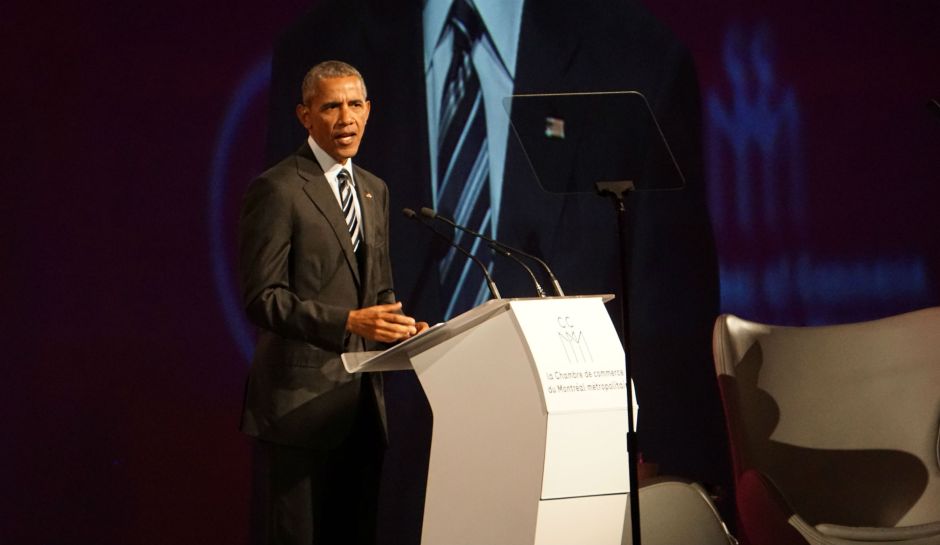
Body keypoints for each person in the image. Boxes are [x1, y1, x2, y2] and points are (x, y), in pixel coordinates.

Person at [238, 60, 427, 545]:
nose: (346, 117)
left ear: (369, 110)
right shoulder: (278, 188)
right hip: (298, 409)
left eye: (355, 104)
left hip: (362, 408)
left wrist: (402, 327)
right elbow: (263, 298)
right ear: (305, 116)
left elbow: (378, 290)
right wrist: (348, 322)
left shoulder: (373, 188)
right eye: (331, 106)